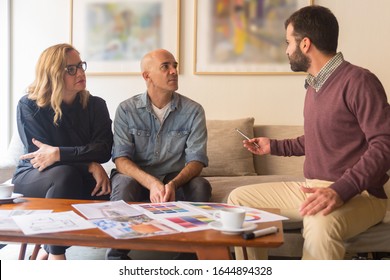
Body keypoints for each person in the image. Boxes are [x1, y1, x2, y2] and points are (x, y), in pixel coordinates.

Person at [228, 5, 390, 260]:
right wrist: (274, 146)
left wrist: (340, 190)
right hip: (312, 187)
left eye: (287, 43)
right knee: (239, 201)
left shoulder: (359, 81)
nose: (286, 50)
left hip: (362, 194)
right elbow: (320, 139)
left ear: (305, 44)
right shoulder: (314, 87)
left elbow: (384, 144)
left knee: (319, 222)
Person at [107, 49, 212, 260]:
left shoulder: (193, 111)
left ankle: (188, 259)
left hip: (175, 182)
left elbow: (197, 160)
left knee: (201, 185)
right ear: (147, 76)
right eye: (166, 66)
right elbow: (121, 159)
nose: (174, 71)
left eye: (175, 65)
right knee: (124, 183)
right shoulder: (127, 110)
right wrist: (151, 183)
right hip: (137, 180)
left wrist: (172, 184)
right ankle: (116, 256)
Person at [12, 43, 113, 260]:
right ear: (53, 74)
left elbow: (104, 149)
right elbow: (41, 158)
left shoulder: (96, 106)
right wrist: (88, 164)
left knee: (105, 189)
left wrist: (59, 153)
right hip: (35, 177)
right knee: (64, 175)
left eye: (81, 66)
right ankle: (57, 257)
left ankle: (48, 251)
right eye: (71, 69)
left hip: (76, 177)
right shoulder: (29, 105)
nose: (81, 73)